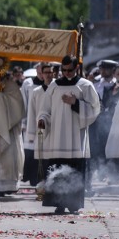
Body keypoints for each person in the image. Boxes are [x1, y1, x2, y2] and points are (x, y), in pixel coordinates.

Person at [37, 55, 100, 214]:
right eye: (63, 70)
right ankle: (58, 203)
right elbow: (45, 110)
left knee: (74, 170)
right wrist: (43, 120)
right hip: (57, 139)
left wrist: (76, 104)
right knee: (57, 171)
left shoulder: (85, 85)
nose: (66, 73)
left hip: (75, 139)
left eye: (70, 70)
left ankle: (73, 204)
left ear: (77, 68)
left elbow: (95, 109)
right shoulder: (54, 86)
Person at [89, 59, 119, 185]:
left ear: (112, 70)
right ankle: (94, 175)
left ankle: (112, 175)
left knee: (113, 149)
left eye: (106, 68)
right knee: (96, 149)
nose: (103, 71)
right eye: (102, 68)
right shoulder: (95, 85)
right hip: (97, 123)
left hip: (114, 123)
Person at [25, 62, 55, 187]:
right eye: (45, 72)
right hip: (41, 130)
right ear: (41, 74)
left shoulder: (57, 89)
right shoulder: (36, 92)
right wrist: (31, 134)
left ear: (54, 74)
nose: (48, 75)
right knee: (41, 161)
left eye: (50, 72)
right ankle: (41, 187)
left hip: (55, 130)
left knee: (53, 159)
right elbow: (31, 113)